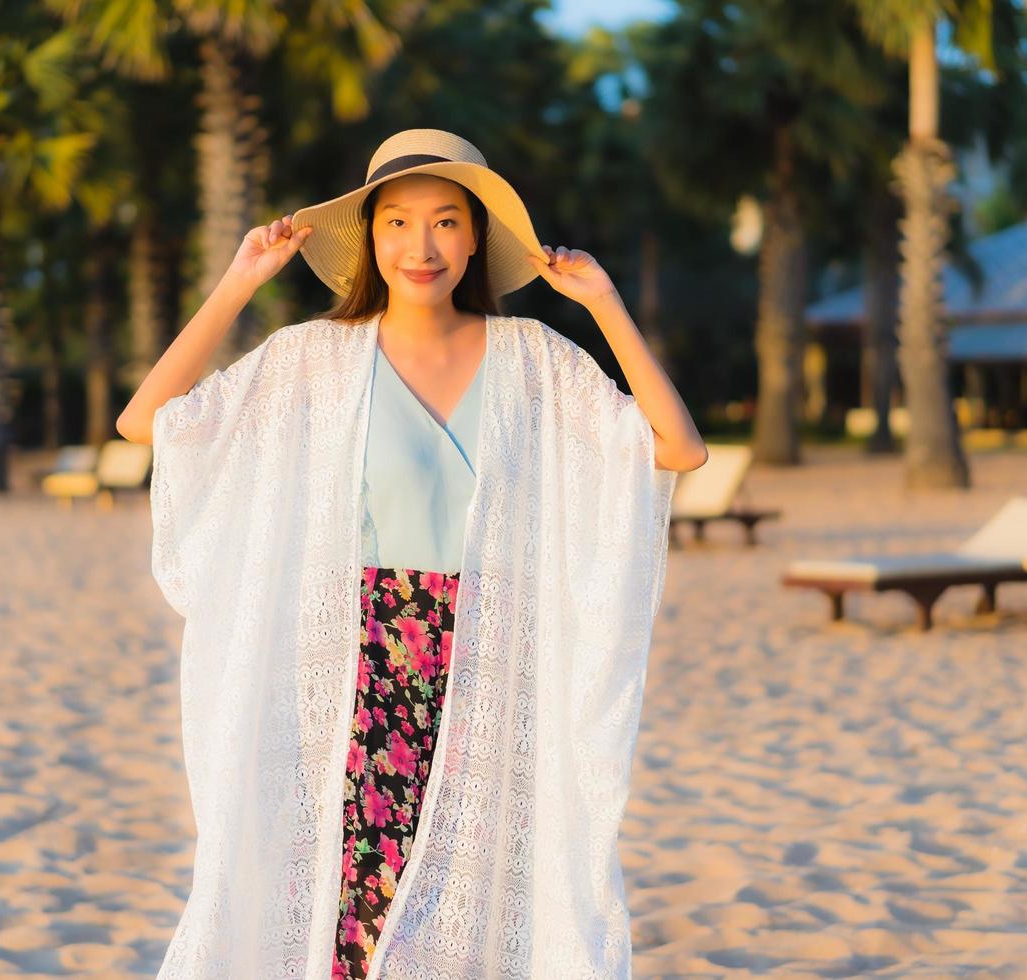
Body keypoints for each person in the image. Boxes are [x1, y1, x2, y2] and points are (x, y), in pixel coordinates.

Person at [118, 129, 706, 980]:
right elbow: (147, 423)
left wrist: (606, 304)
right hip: (354, 674)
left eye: (444, 222)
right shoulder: (314, 360)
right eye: (395, 223)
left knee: (473, 906)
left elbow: (676, 448)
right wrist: (239, 282)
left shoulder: (534, 362)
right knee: (355, 903)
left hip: (488, 668)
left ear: (475, 238)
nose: (419, 247)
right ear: (370, 240)